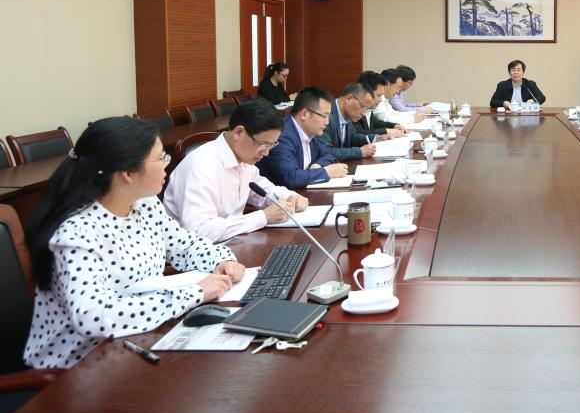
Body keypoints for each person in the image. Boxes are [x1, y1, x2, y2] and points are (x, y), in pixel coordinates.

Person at [23, 117, 244, 369]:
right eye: (160, 158)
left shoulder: (144, 203)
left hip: (135, 339)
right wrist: (195, 293)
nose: (167, 164)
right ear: (128, 173)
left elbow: (184, 245)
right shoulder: (78, 232)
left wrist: (221, 260)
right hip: (78, 365)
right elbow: (92, 316)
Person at [163, 98, 310, 242]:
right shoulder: (200, 166)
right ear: (239, 132)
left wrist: (289, 197)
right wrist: (262, 217)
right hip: (194, 253)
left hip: (232, 243)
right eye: (263, 144)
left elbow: (264, 191)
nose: (266, 153)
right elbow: (199, 230)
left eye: (271, 145)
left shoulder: (244, 160)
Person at [257, 86, 348, 188]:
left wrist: (317, 166)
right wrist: (326, 172)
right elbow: (291, 178)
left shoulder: (309, 132)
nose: (327, 122)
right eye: (324, 116)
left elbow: (328, 154)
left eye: (328, 116)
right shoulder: (282, 136)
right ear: (305, 114)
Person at [320, 82, 378, 161]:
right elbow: (326, 152)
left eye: (366, 109)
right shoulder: (326, 115)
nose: (363, 114)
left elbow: (352, 138)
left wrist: (376, 138)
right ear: (348, 99)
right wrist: (359, 152)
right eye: (363, 107)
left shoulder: (348, 114)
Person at [354, 71, 406, 138]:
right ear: (365, 92)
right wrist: (386, 131)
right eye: (378, 95)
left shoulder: (367, 108)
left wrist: (394, 125)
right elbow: (360, 134)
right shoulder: (354, 109)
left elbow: (375, 123)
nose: (380, 100)